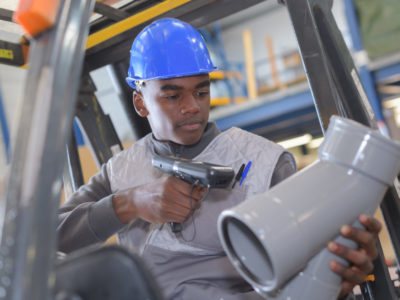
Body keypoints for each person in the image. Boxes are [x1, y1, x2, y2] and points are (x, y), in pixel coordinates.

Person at [58, 18, 382, 300]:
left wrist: (336, 276)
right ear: (141, 103)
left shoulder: (264, 163)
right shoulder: (120, 171)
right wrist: (129, 203)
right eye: (173, 96)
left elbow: (313, 271)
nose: (192, 107)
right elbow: (53, 235)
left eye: (201, 91)